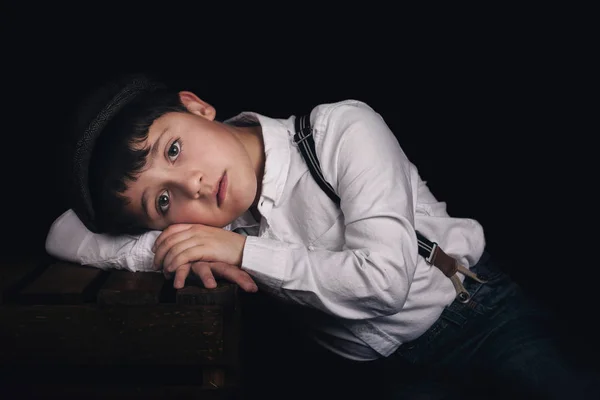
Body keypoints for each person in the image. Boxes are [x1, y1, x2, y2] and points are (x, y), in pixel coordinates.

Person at [45, 73, 597, 399]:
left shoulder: (339, 129)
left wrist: (240, 249)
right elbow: (63, 232)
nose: (189, 184)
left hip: (476, 317)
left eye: (173, 148)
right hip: (384, 374)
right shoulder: (210, 217)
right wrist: (176, 246)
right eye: (162, 201)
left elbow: (384, 283)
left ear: (195, 106)